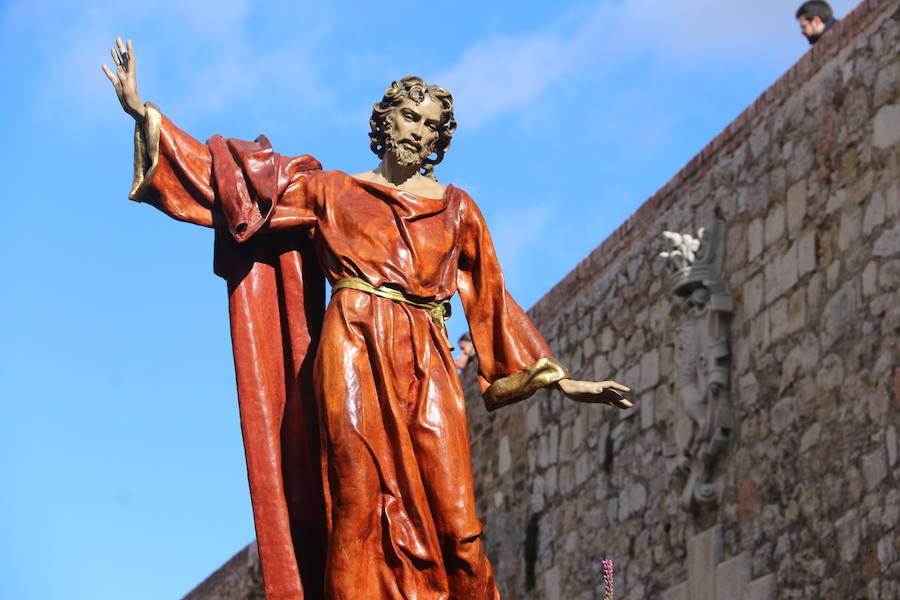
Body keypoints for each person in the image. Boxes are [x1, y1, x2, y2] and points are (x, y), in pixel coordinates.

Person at [102, 37, 631, 600]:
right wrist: (146, 114)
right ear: (385, 120)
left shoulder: (457, 210)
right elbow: (237, 188)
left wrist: (564, 380)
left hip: (426, 358)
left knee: (460, 525)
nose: (415, 131)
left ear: (438, 140)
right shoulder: (332, 192)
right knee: (356, 501)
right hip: (352, 342)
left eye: (428, 126)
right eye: (407, 116)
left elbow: (492, 300)